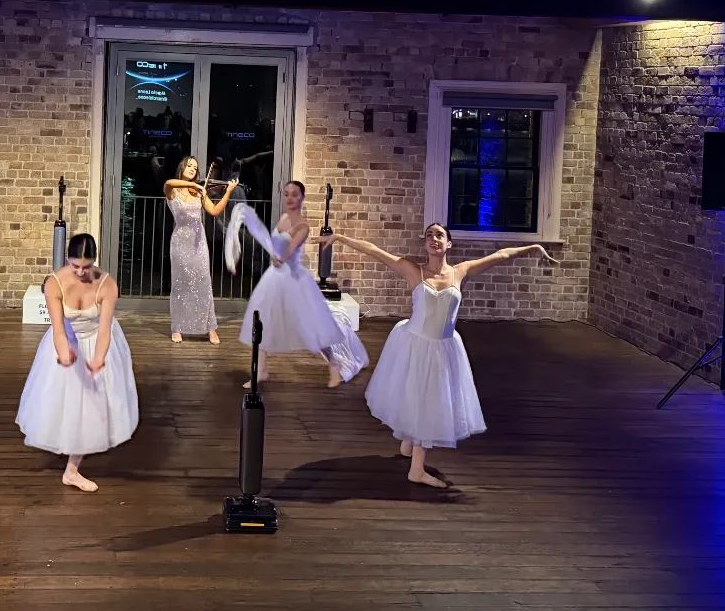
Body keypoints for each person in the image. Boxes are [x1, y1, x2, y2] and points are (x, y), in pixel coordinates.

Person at [318, 224, 559, 488]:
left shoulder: (460, 272)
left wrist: (533, 247)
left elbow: (502, 255)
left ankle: (409, 443)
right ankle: (416, 470)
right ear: (425, 244)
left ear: (449, 244)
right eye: (429, 235)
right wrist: (340, 237)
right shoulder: (414, 271)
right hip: (416, 344)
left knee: (426, 398)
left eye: (439, 235)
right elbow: (375, 251)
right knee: (422, 399)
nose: (434, 239)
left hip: (443, 346)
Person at [16, 233, 139, 492]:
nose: (81, 272)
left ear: (93, 262)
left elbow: (105, 330)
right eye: (75, 266)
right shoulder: (54, 284)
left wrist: (98, 359)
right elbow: (58, 328)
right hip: (69, 340)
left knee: (92, 406)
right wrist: (63, 351)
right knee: (67, 402)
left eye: (86, 266)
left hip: (97, 340)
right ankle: (68, 450)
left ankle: (71, 470)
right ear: (67, 261)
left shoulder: (107, 285)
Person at [238, 181, 368, 388]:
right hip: (274, 278)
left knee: (312, 325)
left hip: (294, 279)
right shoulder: (283, 218)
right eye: (287, 194)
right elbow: (274, 244)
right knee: (264, 319)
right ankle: (261, 370)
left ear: (302, 198)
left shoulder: (304, 226)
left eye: (295, 195)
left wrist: (280, 257)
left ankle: (334, 365)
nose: (289, 198)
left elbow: (290, 248)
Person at [164, 156, 237, 344]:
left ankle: (210, 328)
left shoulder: (199, 193)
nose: (192, 169)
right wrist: (197, 186)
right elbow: (168, 182)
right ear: (183, 167)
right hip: (180, 242)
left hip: (199, 243)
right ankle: (177, 327)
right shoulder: (172, 190)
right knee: (180, 285)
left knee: (203, 283)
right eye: (189, 166)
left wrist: (228, 191)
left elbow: (214, 211)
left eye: (195, 168)